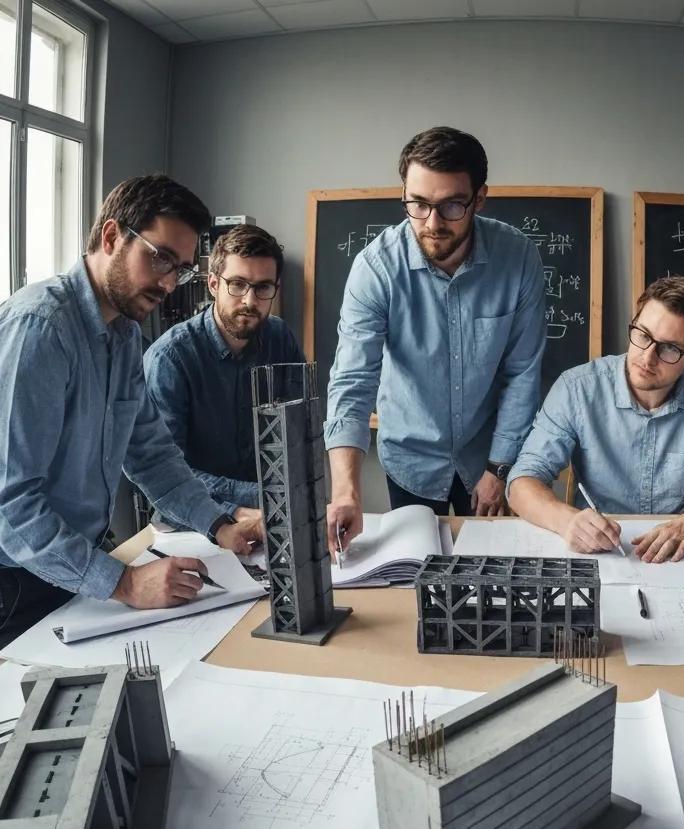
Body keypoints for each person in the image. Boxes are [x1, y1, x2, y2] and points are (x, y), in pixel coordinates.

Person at [0, 174, 261, 647]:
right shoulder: (40, 328)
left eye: (180, 269)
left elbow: (153, 457)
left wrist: (220, 525)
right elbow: (10, 503)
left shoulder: (124, 337)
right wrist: (123, 583)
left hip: (77, 565)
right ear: (111, 237)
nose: (168, 283)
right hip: (15, 584)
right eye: (160, 257)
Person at [324, 127, 546, 553]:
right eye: (418, 204)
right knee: (417, 575)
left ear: (479, 198)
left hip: (489, 456)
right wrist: (346, 491)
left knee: (491, 575)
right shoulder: (375, 269)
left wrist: (499, 469)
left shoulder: (518, 258)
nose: (432, 223)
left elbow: (522, 372)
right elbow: (352, 382)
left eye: (452, 206)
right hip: (410, 460)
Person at [507, 275, 684, 562]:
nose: (647, 358)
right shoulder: (577, 388)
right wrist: (566, 521)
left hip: (679, 554)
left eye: (669, 348)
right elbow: (521, 483)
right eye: (643, 335)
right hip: (600, 552)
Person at [144, 224, 303, 523]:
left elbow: (297, 435)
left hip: (273, 514)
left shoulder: (280, 338)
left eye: (263, 288)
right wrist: (252, 501)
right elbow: (165, 474)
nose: (250, 301)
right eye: (238, 284)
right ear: (214, 284)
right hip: (189, 523)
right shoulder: (170, 359)